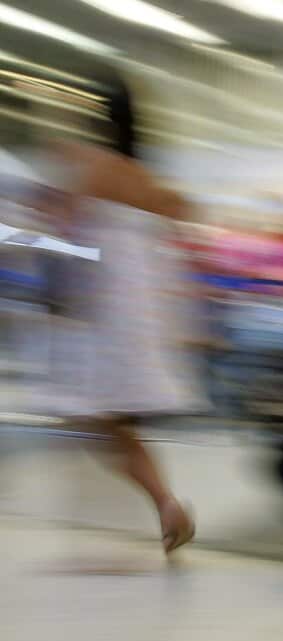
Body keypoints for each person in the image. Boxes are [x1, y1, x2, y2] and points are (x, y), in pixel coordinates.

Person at [35, 67, 202, 554]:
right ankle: (166, 506)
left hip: (101, 316)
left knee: (99, 424)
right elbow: (182, 215)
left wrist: (46, 212)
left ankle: (165, 505)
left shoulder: (97, 167)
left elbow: (65, 235)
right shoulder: (146, 177)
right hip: (138, 318)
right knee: (108, 424)